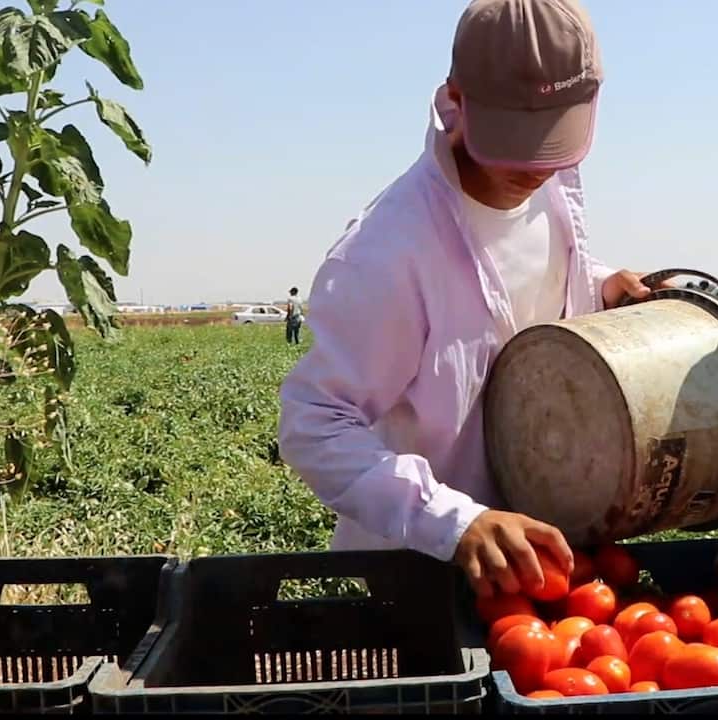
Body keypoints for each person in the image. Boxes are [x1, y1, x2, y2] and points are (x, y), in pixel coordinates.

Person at [278, 0, 657, 600]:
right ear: (455, 98)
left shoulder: (556, 187)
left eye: (551, 137)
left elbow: (526, 276)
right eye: (516, 138)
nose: (535, 165)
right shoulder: (385, 253)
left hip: (548, 567)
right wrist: (455, 522)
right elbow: (315, 424)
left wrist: (601, 285)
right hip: (420, 580)